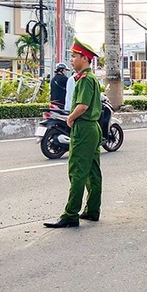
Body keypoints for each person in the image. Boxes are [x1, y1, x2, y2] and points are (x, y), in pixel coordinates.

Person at [44, 38, 103, 228]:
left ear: (84, 59)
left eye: (74, 56)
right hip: (92, 128)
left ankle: (70, 214)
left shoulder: (85, 80)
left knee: (77, 171)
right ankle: (92, 210)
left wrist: (70, 119)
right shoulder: (88, 78)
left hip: (84, 128)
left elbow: (83, 105)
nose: (71, 60)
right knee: (92, 171)